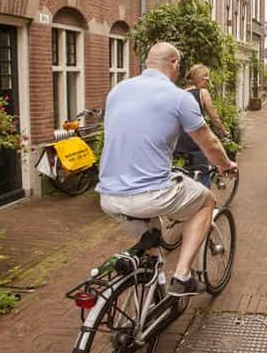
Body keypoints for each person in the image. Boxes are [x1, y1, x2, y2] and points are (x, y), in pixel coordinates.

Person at [97, 42, 237, 297]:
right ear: (175, 63)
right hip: (151, 194)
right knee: (206, 201)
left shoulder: (117, 90)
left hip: (109, 196)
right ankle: (182, 276)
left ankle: (152, 288)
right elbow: (209, 143)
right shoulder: (179, 97)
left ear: (147, 63)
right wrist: (226, 165)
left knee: (151, 244)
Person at [174, 64, 229, 187]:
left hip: (179, 140)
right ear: (201, 78)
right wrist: (224, 130)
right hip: (195, 139)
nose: (208, 83)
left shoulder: (180, 94)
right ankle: (205, 193)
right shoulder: (202, 93)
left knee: (185, 174)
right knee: (203, 172)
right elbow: (214, 117)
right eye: (207, 79)